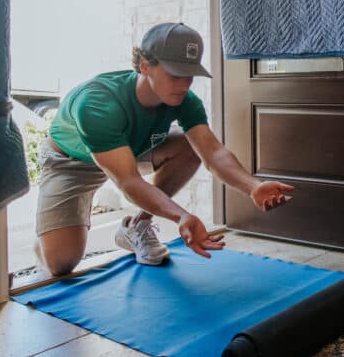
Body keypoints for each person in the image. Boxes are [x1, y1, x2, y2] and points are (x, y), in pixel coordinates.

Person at [34, 22, 293, 275]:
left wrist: (252, 186)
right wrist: (181, 216)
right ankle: (47, 234)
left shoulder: (184, 100)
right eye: (174, 74)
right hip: (71, 162)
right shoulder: (97, 103)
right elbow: (129, 182)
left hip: (131, 149)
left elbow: (213, 153)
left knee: (187, 146)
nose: (184, 84)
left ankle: (137, 226)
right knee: (60, 263)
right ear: (144, 65)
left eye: (189, 75)